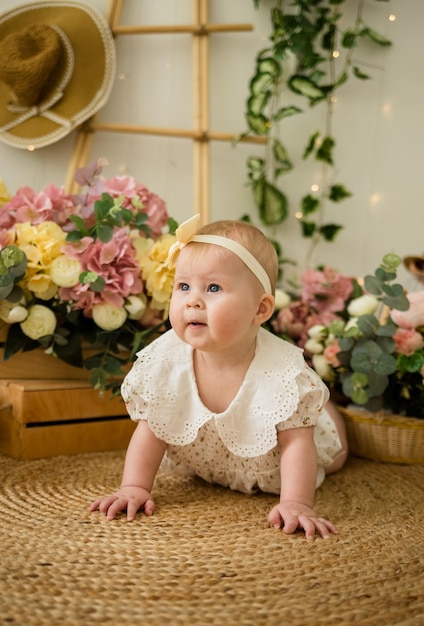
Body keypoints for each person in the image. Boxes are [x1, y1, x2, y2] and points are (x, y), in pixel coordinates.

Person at [90, 215, 348, 538]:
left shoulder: (282, 371)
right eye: (183, 286)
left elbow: (296, 443)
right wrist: (133, 487)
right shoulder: (167, 361)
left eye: (213, 287)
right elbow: (152, 428)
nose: (193, 300)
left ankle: (328, 413)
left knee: (332, 452)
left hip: (273, 461)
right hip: (208, 459)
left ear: (261, 310)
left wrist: (297, 502)